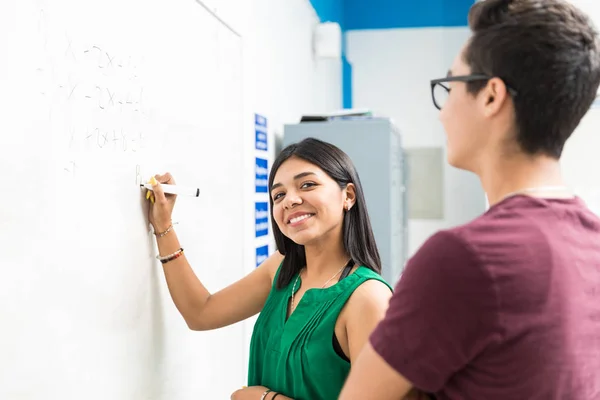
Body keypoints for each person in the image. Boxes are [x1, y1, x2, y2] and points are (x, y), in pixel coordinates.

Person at [339, 0, 600, 399]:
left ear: (491, 96)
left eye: (450, 85)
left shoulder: (463, 257)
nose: (442, 113)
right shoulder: (592, 240)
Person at [144, 138, 393, 400]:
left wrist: (266, 399)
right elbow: (200, 312)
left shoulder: (368, 298)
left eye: (307, 185)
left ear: (348, 196)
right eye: (279, 195)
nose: (290, 201)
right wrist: (163, 226)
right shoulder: (283, 270)